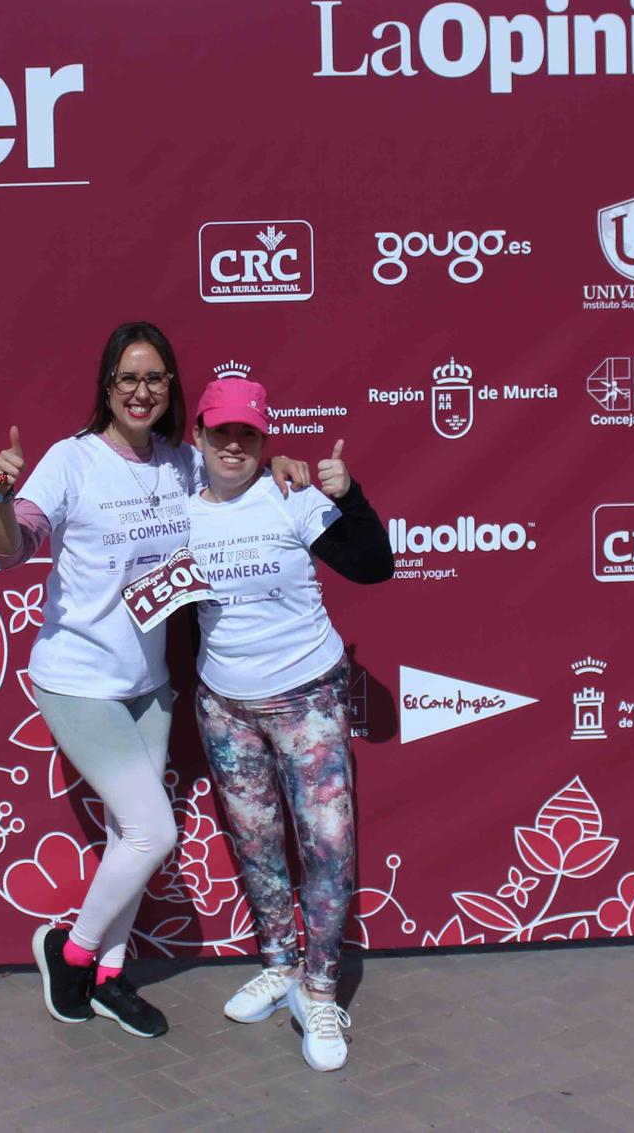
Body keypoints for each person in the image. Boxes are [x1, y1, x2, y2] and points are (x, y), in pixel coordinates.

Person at [0, 323, 307, 1039]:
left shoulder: (181, 463)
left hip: (150, 684)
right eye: (128, 377)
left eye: (155, 378)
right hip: (79, 678)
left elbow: (237, 473)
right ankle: (67, 952)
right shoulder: (71, 461)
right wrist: (0, 499)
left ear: (171, 390)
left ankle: (108, 975)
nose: (142, 390)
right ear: (106, 386)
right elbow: (13, 548)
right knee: (152, 830)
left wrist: (278, 460)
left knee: (129, 830)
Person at [184, 376, 391, 1072]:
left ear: (264, 438)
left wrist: (348, 494)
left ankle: (321, 987)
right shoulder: (179, 508)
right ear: (200, 437)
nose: (233, 445)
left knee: (328, 848)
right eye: (221, 432)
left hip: (307, 699)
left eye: (247, 433)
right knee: (257, 841)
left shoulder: (291, 495)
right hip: (225, 705)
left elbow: (372, 566)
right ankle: (278, 962)